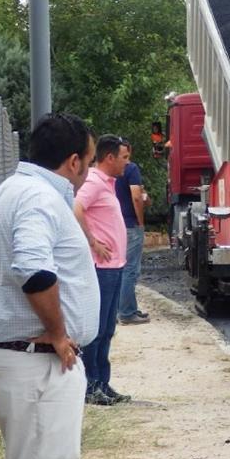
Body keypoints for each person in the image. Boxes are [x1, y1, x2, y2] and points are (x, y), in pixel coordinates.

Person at [0, 112, 98, 459]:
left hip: (24, 359)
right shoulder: (39, 197)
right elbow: (33, 268)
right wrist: (59, 333)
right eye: (89, 162)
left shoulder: (13, 190)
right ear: (73, 161)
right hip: (37, 362)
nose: (88, 172)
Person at [74, 134, 132, 406]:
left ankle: (103, 383)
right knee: (96, 329)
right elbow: (76, 208)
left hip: (114, 266)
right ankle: (90, 385)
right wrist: (93, 241)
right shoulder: (94, 182)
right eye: (124, 157)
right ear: (109, 157)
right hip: (101, 268)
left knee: (108, 328)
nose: (127, 163)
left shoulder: (107, 183)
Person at [116, 142, 150, 325]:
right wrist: (140, 222)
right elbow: (137, 196)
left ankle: (123, 308)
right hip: (130, 224)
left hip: (115, 225)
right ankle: (127, 313)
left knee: (118, 268)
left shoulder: (106, 172)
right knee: (130, 269)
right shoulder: (131, 169)